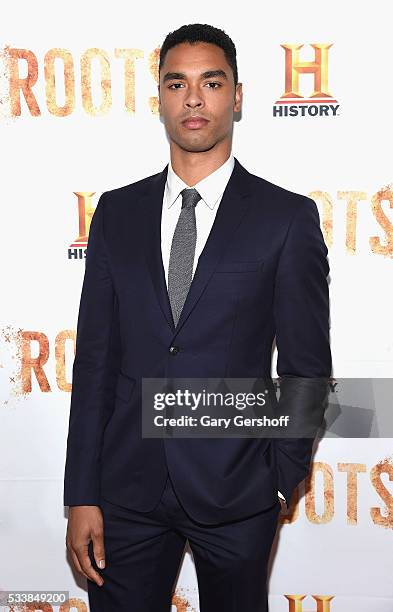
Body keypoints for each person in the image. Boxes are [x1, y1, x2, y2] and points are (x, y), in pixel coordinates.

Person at [64, 23, 332, 611]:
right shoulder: (116, 213)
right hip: (125, 493)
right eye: (176, 83)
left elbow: (308, 368)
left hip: (238, 491)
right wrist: (82, 492)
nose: (193, 99)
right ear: (158, 96)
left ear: (237, 96)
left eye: (211, 83)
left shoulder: (285, 219)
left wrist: (279, 479)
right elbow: (95, 364)